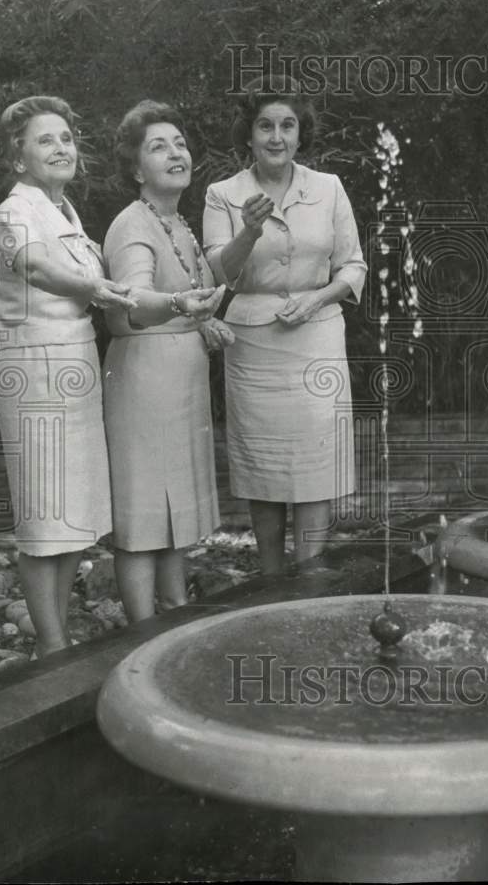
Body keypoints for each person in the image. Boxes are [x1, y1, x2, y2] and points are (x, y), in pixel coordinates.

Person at [0, 95, 135, 658]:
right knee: (43, 515)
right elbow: (33, 266)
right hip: (32, 372)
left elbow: (110, 286)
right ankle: (52, 646)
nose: (61, 148)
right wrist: (93, 289)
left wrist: (176, 301)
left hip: (76, 367)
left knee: (76, 513)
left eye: (67, 138)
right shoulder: (12, 211)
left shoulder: (68, 214)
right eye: (45, 140)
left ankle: (57, 635)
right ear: (19, 157)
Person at [203, 77, 367, 575]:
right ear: (249, 135)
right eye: (265, 125)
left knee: (316, 469)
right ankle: (273, 579)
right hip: (252, 342)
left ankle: (311, 579)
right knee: (264, 470)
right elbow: (218, 272)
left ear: (300, 134)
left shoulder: (329, 188)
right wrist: (249, 231)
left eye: (287, 126)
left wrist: (317, 299)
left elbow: (354, 267)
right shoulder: (223, 194)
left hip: (318, 340)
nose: (277, 136)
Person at [103, 100, 233, 622]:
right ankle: (138, 629)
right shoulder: (132, 224)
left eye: (179, 143)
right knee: (143, 511)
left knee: (172, 501)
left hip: (178, 380)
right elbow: (132, 299)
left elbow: (186, 293)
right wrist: (181, 306)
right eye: (159, 147)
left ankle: (175, 603)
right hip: (145, 381)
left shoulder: (177, 221)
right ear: (137, 169)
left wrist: (203, 321)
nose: (176, 152)